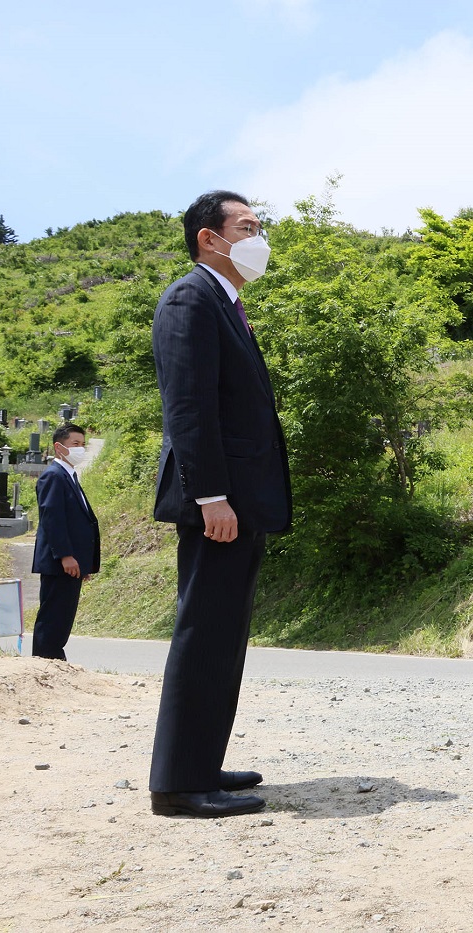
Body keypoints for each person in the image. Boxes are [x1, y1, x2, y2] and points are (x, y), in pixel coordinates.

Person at [147, 190, 292, 819]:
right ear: (211, 237)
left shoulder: (226, 303)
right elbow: (189, 409)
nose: (259, 237)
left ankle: (202, 764)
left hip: (240, 500)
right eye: (248, 227)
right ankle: (178, 783)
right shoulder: (191, 298)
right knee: (204, 632)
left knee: (225, 634)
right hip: (218, 502)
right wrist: (211, 495)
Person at [30, 423, 99, 660]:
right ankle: (45, 660)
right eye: (75, 444)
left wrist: (83, 561)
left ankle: (52, 658)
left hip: (72, 563)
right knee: (53, 614)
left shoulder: (69, 476)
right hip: (59, 561)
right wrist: (65, 555)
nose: (80, 449)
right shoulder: (53, 476)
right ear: (59, 447)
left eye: (82, 444)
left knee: (64, 613)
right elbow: (53, 519)